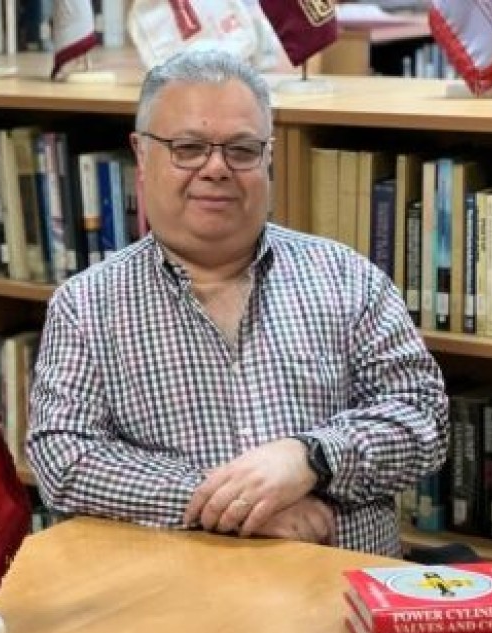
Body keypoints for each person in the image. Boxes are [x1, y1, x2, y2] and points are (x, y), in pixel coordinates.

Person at [26, 49, 449, 556]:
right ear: (142, 154)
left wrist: (309, 459)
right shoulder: (85, 305)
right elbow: (64, 458)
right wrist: (235, 502)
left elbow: (424, 418)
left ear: (268, 156)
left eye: (242, 150)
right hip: (178, 592)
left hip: (340, 587)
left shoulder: (347, 279)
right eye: (188, 148)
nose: (216, 168)